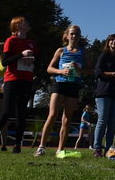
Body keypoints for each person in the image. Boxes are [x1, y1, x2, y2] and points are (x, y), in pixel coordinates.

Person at [35, 25, 91, 157]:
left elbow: (91, 71)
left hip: (74, 86)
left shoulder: (83, 52)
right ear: (66, 36)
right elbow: (49, 68)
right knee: (52, 115)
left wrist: (80, 70)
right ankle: (41, 146)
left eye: (77, 34)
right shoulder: (61, 51)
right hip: (60, 84)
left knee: (67, 119)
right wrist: (61, 71)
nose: (74, 37)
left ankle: (60, 149)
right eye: (72, 34)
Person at [0, 16, 38, 153]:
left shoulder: (31, 43)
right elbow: (5, 62)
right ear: (18, 26)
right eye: (24, 22)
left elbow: (37, 60)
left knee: (22, 113)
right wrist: (21, 54)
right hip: (12, 79)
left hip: (26, 79)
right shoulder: (11, 41)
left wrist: (33, 60)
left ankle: (17, 145)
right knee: (6, 112)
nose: (28, 23)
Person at [93, 34, 115, 157]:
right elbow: (98, 72)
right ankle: (97, 147)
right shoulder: (104, 55)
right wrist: (112, 74)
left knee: (113, 123)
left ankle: (109, 148)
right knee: (102, 120)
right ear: (108, 42)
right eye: (112, 40)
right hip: (104, 92)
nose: (114, 42)